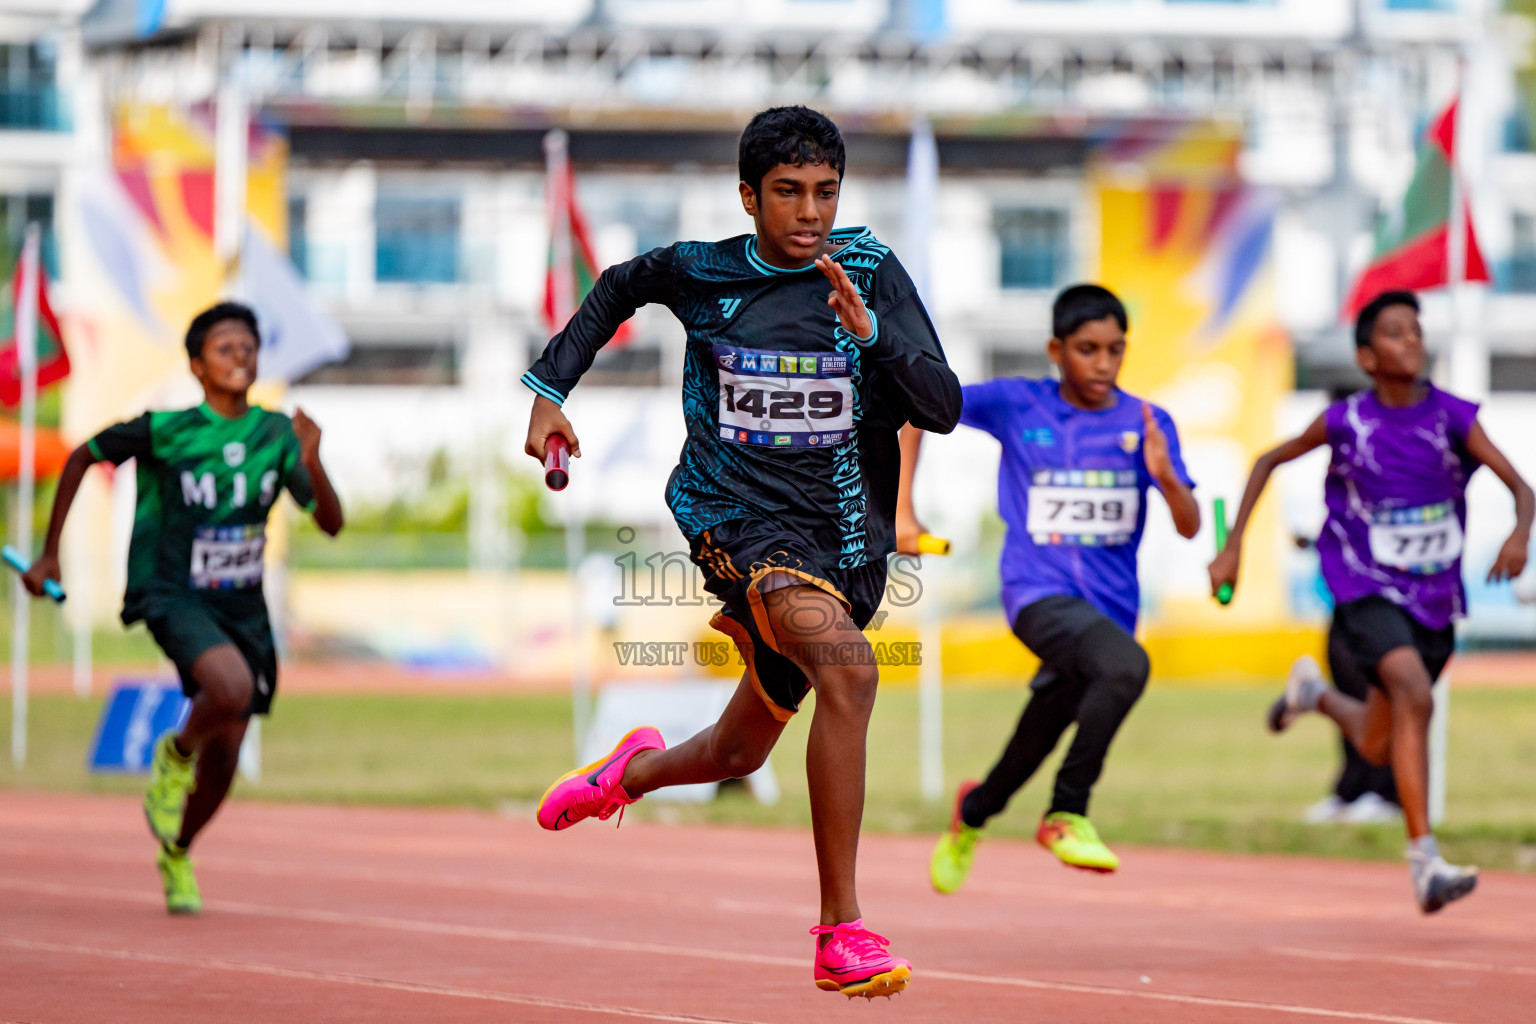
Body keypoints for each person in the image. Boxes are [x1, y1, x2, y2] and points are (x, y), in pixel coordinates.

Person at [521, 106, 959, 999]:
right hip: (734, 522)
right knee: (851, 670)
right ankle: (842, 930)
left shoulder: (868, 270)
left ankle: (625, 774)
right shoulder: (703, 270)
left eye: (825, 193)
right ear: (749, 196)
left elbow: (942, 406)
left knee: (736, 753)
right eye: (788, 194)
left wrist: (871, 337)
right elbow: (615, 285)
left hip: (847, 544)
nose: (809, 213)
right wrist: (548, 390)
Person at [1209, 289, 1532, 913]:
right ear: (1365, 356)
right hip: (1362, 584)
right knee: (1413, 693)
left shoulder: (1454, 418)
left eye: (1415, 330)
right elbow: (1267, 460)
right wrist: (1232, 547)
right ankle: (1426, 863)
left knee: (1382, 740)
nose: (1411, 340)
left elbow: (1522, 486)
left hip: (1435, 597)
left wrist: (1519, 535)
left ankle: (1314, 696)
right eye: (1393, 333)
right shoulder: (1346, 421)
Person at [23, 301, 344, 915]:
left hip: (243, 609)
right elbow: (81, 455)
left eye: (249, 347)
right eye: (225, 348)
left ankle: (178, 849)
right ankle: (172, 758)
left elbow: (330, 523)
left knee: (225, 756)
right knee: (228, 686)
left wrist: (312, 461)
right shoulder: (167, 429)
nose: (240, 357)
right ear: (197, 365)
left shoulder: (277, 435)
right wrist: (49, 555)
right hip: (173, 592)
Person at [901, 284, 1200, 895]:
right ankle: (1067, 812)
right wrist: (903, 509)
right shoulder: (1018, 403)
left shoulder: (1146, 421)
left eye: (1116, 350)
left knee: (1040, 731)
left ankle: (975, 810)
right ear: (1056, 350)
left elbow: (1190, 524)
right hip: (1035, 592)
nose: (1104, 363)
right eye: (1088, 349)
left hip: (1110, 611)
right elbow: (917, 409)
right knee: (1126, 669)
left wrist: (1168, 480)